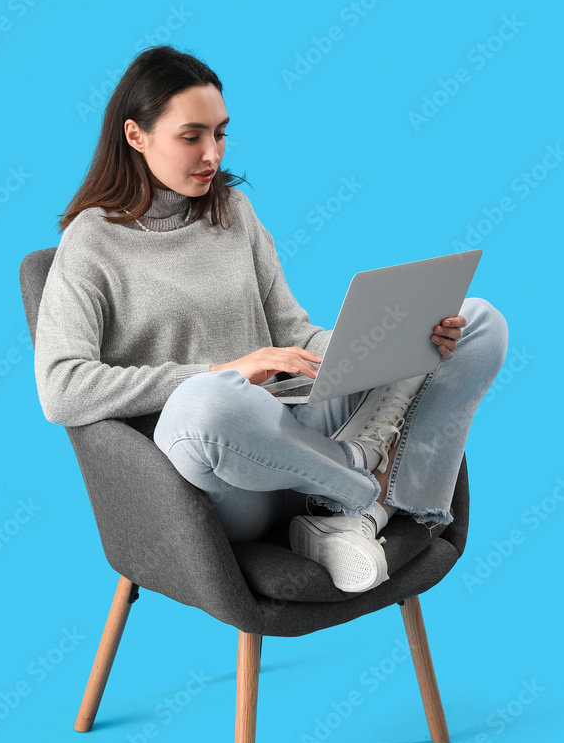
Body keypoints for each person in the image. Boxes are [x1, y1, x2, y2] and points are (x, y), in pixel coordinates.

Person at [34, 45, 508, 596]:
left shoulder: (232, 212)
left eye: (220, 133)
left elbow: (294, 335)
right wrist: (226, 369)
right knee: (209, 398)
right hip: (223, 471)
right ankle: (368, 492)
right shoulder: (90, 243)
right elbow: (60, 389)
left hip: (297, 426)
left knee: (476, 321)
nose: (211, 153)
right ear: (136, 135)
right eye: (191, 136)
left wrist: (391, 345)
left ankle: (346, 512)